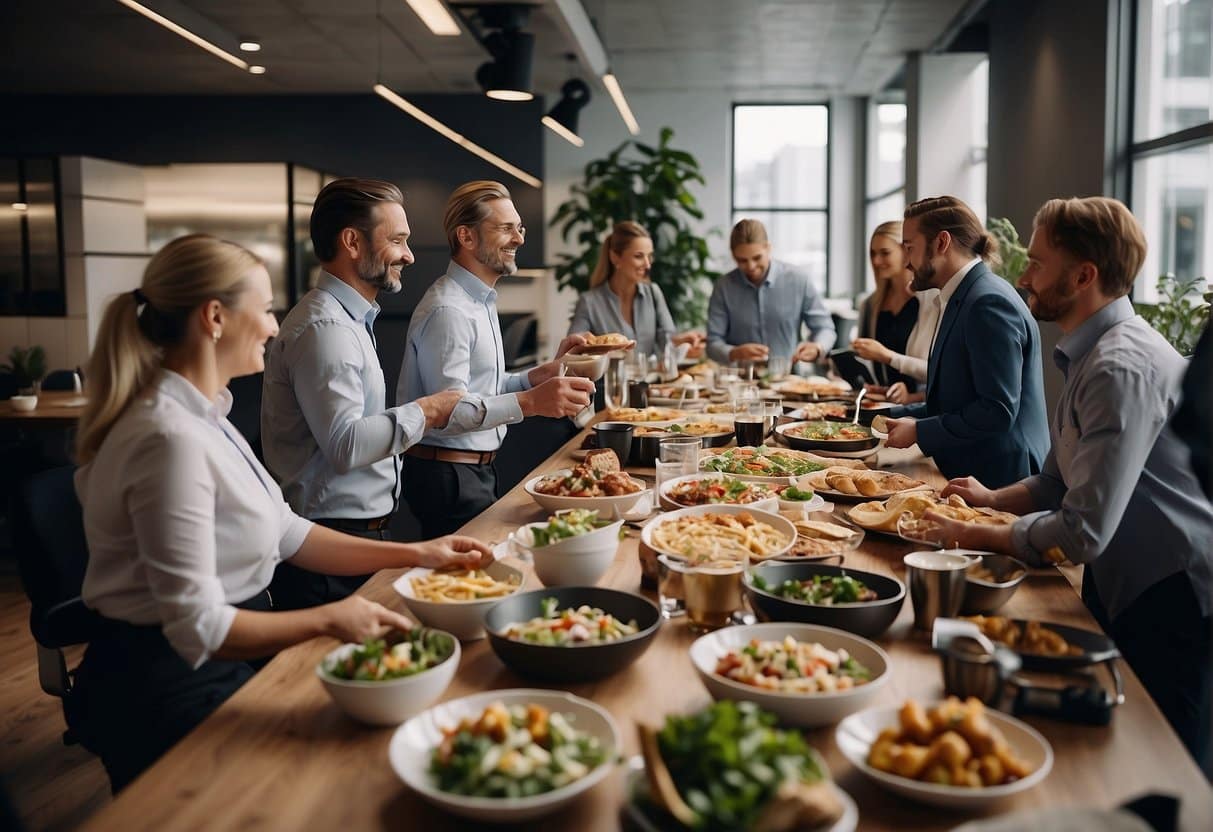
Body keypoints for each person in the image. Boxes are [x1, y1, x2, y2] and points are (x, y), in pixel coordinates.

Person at [71, 235, 491, 791]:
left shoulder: (206, 414)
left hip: (215, 661)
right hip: (163, 685)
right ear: (215, 317)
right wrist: (331, 619)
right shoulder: (166, 438)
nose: (274, 326)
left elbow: (289, 532)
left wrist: (417, 553)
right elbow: (200, 626)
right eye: (265, 308)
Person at [918, 197, 1213, 773]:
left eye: (1037, 262)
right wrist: (990, 500)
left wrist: (976, 534)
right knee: (1107, 748)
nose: (1023, 275)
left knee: (1160, 762)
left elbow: (1082, 531)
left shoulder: (1117, 366)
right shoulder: (1091, 352)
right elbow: (1056, 480)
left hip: (1174, 592)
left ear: (1084, 276)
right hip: (1125, 578)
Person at [261, 178, 465, 610]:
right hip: (327, 547)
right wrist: (427, 411)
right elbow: (346, 445)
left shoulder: (349, 320)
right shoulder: (326, 330)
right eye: (397, 240)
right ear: (352, 242)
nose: (409, 255)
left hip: (351, 538)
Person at [398, 181, 595, 537]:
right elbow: (448, 411)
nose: (519, 238)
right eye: (506, 229)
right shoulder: (449, 309)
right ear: (467, 237)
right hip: (448, 477)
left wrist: (538, 377)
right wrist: (531, 402)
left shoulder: (478, 300)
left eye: (519, 228)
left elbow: (482, 388)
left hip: (470, 470)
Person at [883, 196, 1048, 488]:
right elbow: (954, 399)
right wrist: (879, 416)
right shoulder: (964, 295)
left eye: (910, 248)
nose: (906, 262)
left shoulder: (987, 302)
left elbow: (996, 411)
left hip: (1003, 477)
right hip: (978, 470)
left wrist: (920, 431)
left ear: (941, 243)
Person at [706, 218, 836, 369]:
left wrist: (817, 347)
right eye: (742, 260)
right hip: (740, 383)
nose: (751, 266)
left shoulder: (799, 280)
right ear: (733, 255)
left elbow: (825, 328)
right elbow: (713, 343)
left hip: (788, 380)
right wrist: (734, 353)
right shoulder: (723, 287)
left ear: (768, 248)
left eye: (757, 258)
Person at [567, 221, 705, 358]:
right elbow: (573, 350)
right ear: (615, 257)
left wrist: (682, 340)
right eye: (639, 256)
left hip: (648, 380)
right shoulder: (589, 302)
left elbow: (666, 341)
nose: (647, 264)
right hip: (608, 380)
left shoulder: (653, 293)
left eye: (649, 256)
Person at [850, 220, 939, 404]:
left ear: (906, 251)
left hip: (920, 409)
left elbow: (939, 373)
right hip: (880, 405)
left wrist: (886, 356)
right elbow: (868, 367)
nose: (876, 261)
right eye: (873, 254)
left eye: (885, 253)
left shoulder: (932, 301)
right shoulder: (870, 305)